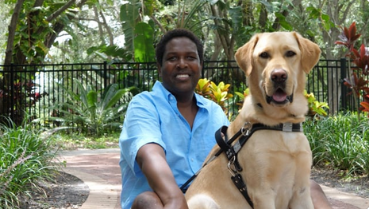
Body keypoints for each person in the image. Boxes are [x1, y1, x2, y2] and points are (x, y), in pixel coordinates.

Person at [119, 28, 332, 209]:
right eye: (173, 58)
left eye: (190, 58)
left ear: (200, 65)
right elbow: (150, 157)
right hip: (166, 198)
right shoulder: (144, 105)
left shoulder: (214, 111)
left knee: (309, 187)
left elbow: (232, 164)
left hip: (215, 193)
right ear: (159, 66)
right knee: (148, 200)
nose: (182, 64)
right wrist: (176, 200)